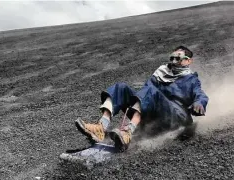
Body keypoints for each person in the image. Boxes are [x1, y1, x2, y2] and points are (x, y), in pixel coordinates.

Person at [75, 46, 209, 151]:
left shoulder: (191, 79)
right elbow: (145, 94)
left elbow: (200, 94)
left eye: (178, 58)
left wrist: (199, 103)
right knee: (121, 87)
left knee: (151, 91)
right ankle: (101, 127)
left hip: (176, 117)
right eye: (172, 58)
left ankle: (128, 132)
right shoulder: (161, 73)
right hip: (155, 115)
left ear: (189, 61)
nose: (174, 62)